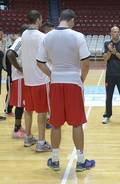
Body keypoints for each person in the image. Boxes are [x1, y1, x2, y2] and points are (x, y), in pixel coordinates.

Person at [37, 9, 95, 172]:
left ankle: (55, 160)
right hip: (73, 82)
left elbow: (40, 62)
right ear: (71, 20)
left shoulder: (47, 37)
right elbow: (86, 62)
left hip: (56, 82)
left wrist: (52, 75)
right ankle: (81, 161)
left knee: (55, 124)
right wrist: (81, 79)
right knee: (77, 123)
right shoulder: (77, 36)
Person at [21, 10, 51, 151]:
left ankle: (28, 137)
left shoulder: (24, 34)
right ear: (38, 20)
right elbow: (47, 56)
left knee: (28, 110)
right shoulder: (42, 36)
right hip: (40, 79)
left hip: (27, 79)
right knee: (42, 112)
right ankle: (41, 142)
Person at [102, 26, 120, 124]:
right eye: (114, 32)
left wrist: (116, 53)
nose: (117, 33)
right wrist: (110, 51)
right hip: (110, 75)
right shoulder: (106, 44)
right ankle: (107, 115)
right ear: (111, 33)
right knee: (108, 96)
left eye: (118, 32)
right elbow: (105, 59)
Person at [6, 24, 29, 138]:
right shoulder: (20, 40)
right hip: (19, 78)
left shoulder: (23, 41)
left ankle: (19, 127)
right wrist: (19, 68)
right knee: (20, 104)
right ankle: (16, 129)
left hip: (23, 78)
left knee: (22, 104)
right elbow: (10, 53)